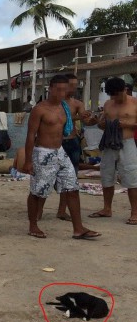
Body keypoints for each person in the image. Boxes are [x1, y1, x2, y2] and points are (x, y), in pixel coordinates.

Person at [23, 74, 100, 239]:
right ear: (49, 89)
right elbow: (30, 135)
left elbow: (73, 121)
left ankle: (78, 228)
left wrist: (88, 118)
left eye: (65, 90)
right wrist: (28, 160)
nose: (61, 93)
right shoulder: (40, 109)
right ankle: (33, 225)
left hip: (60, 152)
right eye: (58, 89)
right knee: (38, 191)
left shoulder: (65, 107)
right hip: (43, 152)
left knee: (72, 188)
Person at [89, 77, 137, 224]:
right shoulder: (108, 104)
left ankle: (135, 212)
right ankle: (107, 208)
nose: (115, 98)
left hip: (127, 142)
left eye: (117, 94)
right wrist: (101, 123)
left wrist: (126, 123)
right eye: (112, 95)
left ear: (125, 90)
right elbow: (102, 124)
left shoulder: (135, 103)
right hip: (110, 143)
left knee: (131, 176)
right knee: (106, 175)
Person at [53, 74, 99, 221]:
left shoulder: (77, 104)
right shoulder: (54, 104)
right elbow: (58, 118)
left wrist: (92, 119)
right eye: (71, 85)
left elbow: (86, 122)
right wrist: (79, 117)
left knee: (70, 178)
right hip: (55, 142)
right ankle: (38, 210)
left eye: (75, 85)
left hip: (71, 141)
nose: (73, 88)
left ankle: (62, 210)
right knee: (48, 176)